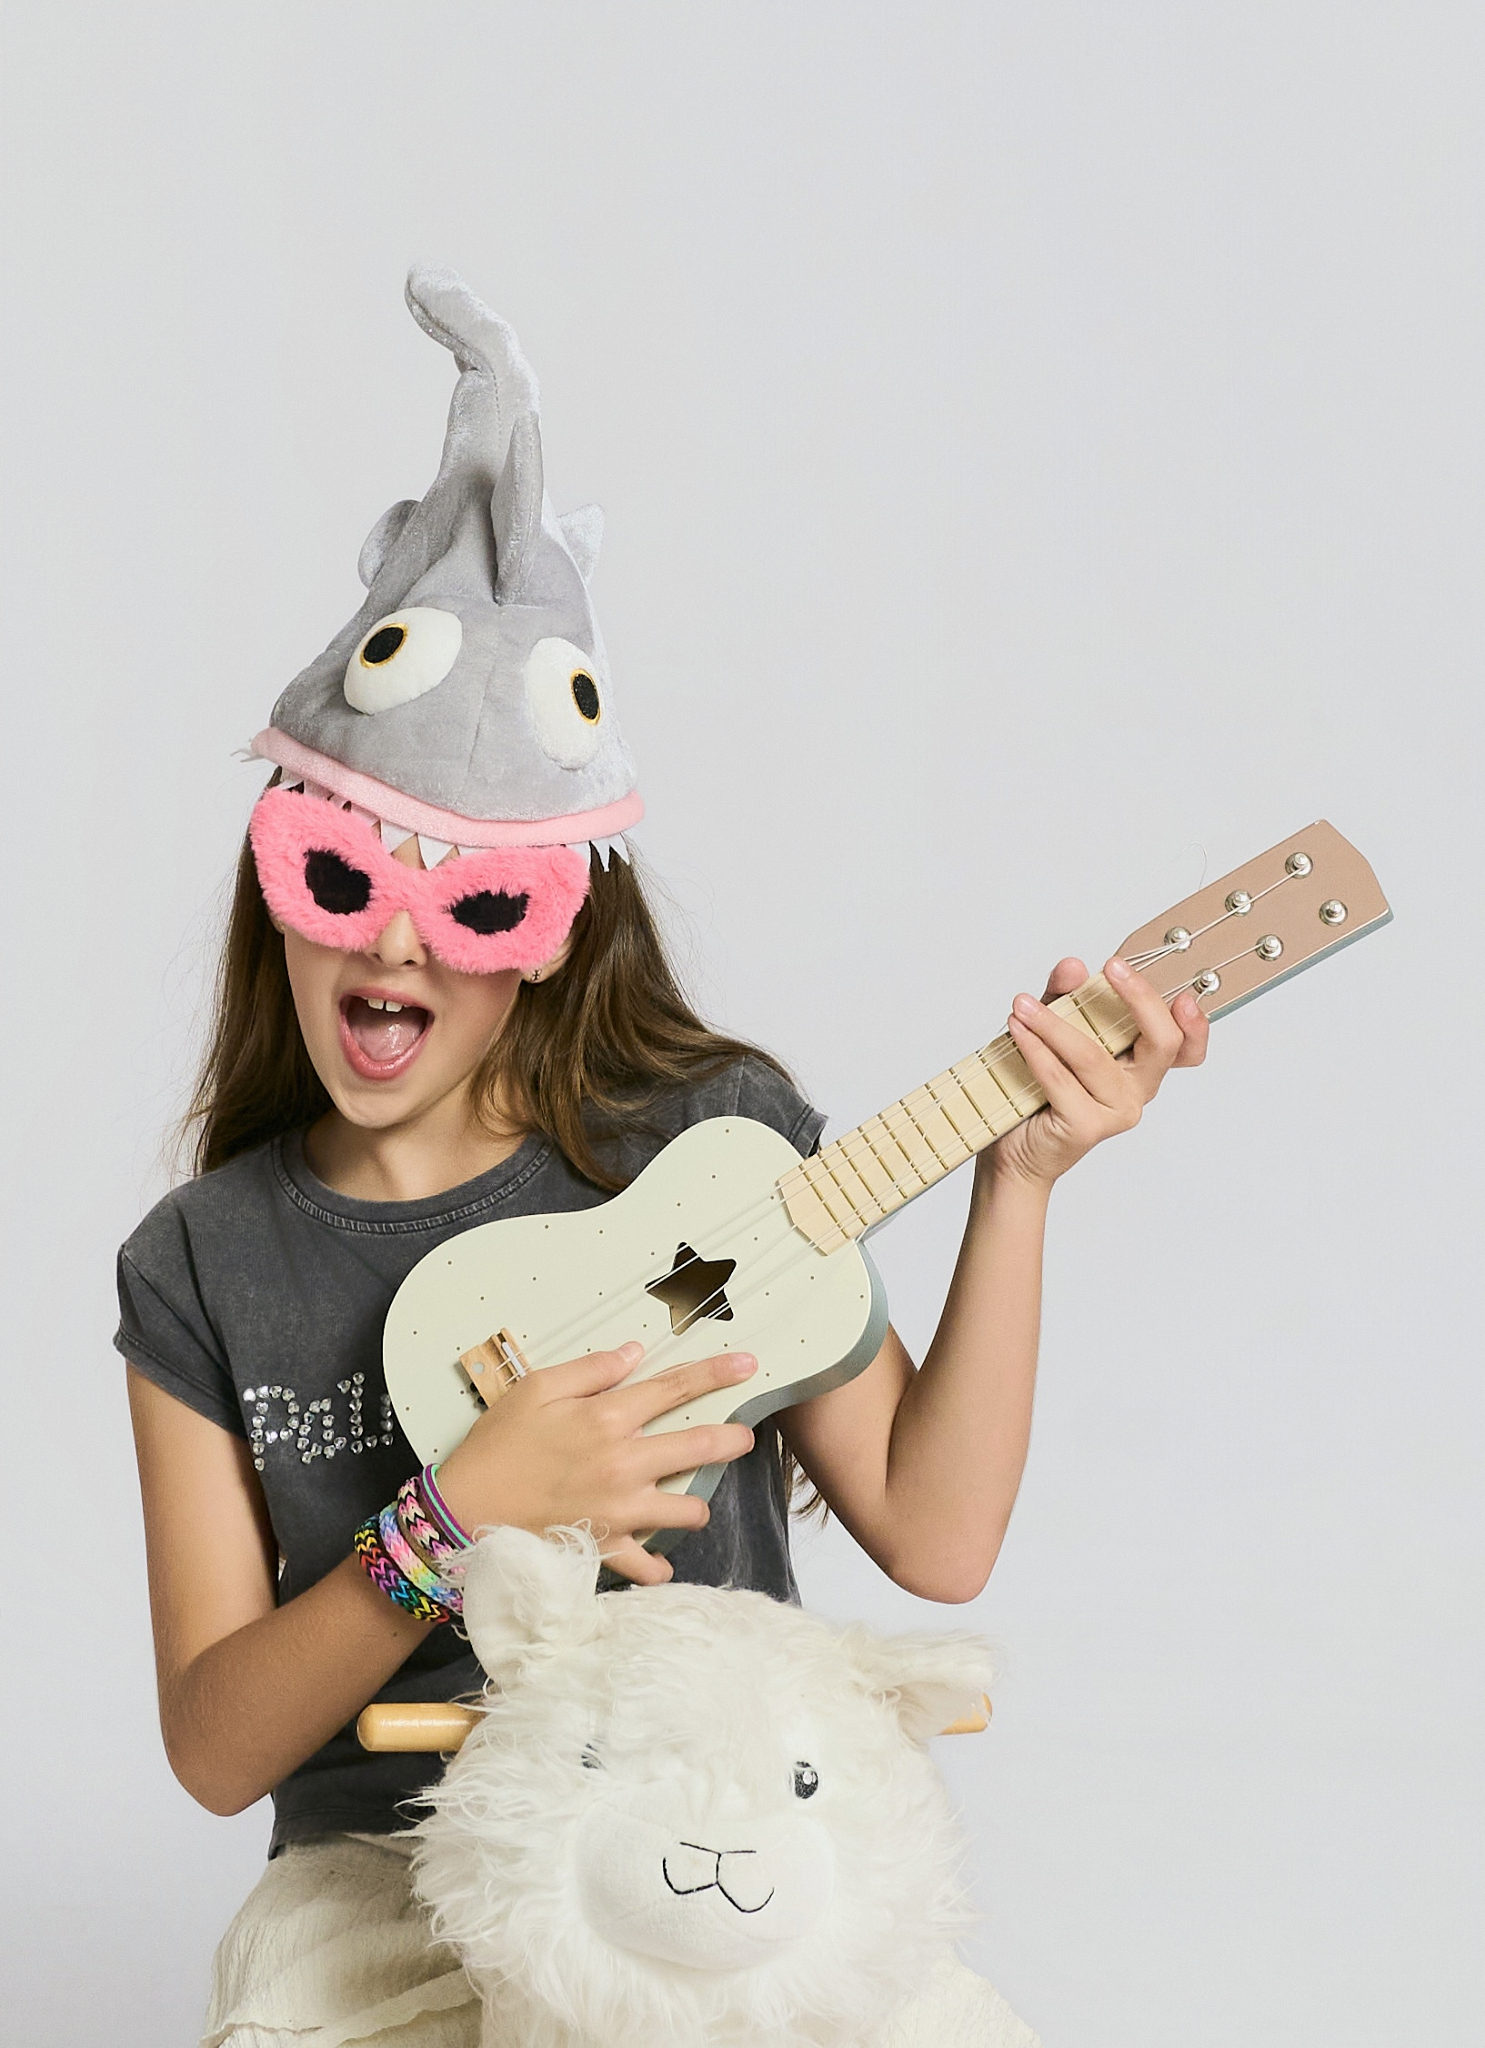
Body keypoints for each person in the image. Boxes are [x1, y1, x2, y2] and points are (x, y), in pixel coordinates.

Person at [118, 271, 1207, 2048]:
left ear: (550, 927)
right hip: (385, 1895)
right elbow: (217, 1741)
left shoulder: (701, 1163)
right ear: (278, 887)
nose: (397, 950)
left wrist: (1016, 1187)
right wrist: (454, 1512)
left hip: (702, 1869)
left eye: (470, 899)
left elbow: (933, 1538)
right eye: (344, 880)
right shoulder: (204, 1263)